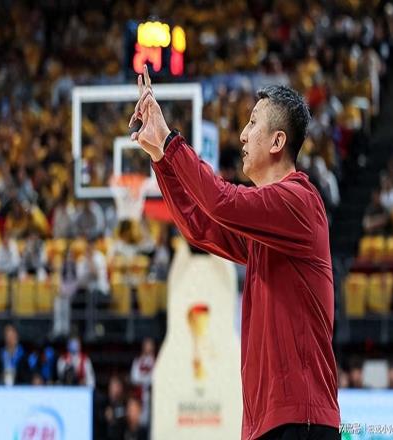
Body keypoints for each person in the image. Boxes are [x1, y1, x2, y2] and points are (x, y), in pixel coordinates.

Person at [129, 65, 340, 439]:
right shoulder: (269, 226)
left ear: (277, 142)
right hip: (266, 422)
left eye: (253, 123)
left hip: (301, 418)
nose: (242, 134)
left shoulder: (300, 202)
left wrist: (170, 141)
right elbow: (201, 226)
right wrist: (161, 159)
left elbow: (220, 202)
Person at [130, 338, 155, 427]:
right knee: (140, 420)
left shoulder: (156, 361)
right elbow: (134, 378)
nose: (148, 347)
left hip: (152, 394)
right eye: (146, 345)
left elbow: (155, 378)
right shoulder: (138, 361)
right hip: (140, 395)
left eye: (150, 345)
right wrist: (145, 379)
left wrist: (145, 379)